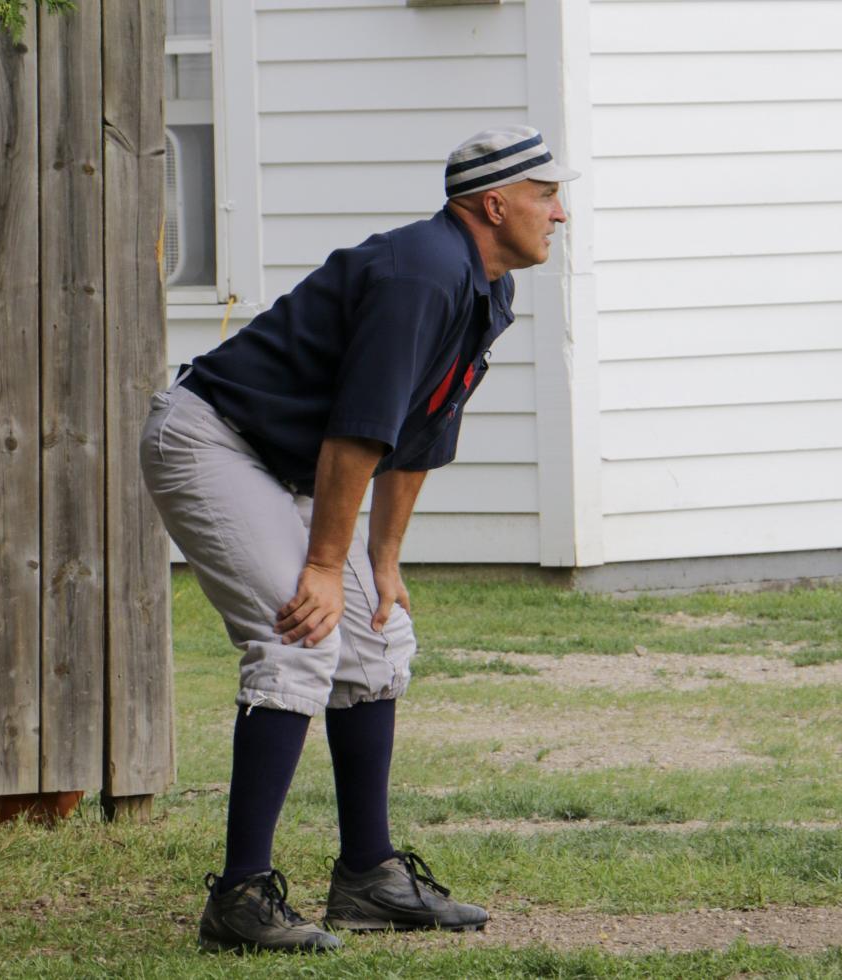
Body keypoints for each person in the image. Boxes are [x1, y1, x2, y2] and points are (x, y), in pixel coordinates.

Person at [139, 125, 578, 954]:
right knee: (301, 633)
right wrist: (323, 567)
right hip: (210, 440)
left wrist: (379, 564)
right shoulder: (423, 274)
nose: (559, 215)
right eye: (547, 196)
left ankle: (368, 877)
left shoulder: (485, 288)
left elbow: (417, 433)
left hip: (279, 463)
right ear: (495, 203)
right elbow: (358, 431)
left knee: (378, 637)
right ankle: (238, 898)